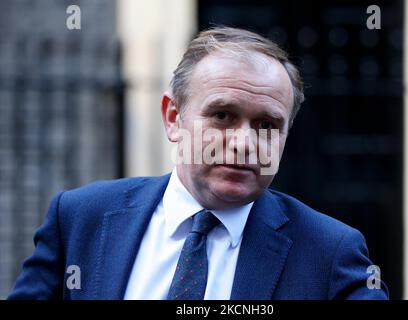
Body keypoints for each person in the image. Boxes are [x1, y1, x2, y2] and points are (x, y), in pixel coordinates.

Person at [8, 27, 388, 300]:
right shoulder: (80, 219)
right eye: (222, 115)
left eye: (267, 125)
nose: (244, 143)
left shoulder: (330, 252)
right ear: (173, 117)